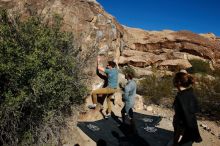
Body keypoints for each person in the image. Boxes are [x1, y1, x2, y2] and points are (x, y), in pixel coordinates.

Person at [172, 71, 202, 146]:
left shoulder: (180, 98)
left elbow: (184, 118)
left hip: (183, 133)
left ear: (178, 82)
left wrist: (180, 135)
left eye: (174, 79)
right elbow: (194, 111)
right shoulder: (190, 93)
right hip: (190, 131)